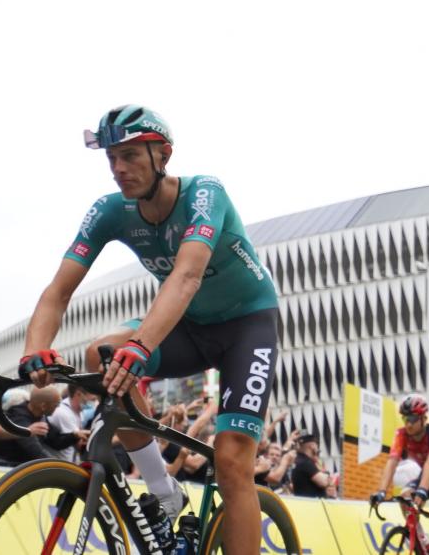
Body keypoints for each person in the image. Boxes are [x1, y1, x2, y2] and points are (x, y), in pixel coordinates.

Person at [16, 105, 280, 554]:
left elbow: (186, 276)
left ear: (164, 155)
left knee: (233, 461)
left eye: (131, 156)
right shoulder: (110, 211)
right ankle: (162, 490)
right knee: (102, 353)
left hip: (246, 327)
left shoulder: (204, 193)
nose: (119, 169)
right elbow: (58, 291)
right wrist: (34, 351)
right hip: (189, 325)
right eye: (112, 158)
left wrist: (141, 344)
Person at [371, 395, 429, 554]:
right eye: (406, 418)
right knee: (406, 497)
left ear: (423, 419)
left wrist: (423, 490)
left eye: (413, 418)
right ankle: (424, 542)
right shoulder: (401, 434)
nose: (408, 423)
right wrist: (381, 491)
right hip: (428, 474)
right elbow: (392, 462)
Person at [290, 432, 333, 498]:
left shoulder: (299, 460)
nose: (317, 449)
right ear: (312, 446)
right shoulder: (305, 463)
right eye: (317, 445)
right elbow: (323, 482)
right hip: (312, 504)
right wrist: (326, 473)